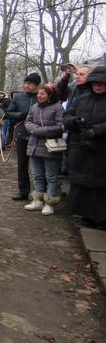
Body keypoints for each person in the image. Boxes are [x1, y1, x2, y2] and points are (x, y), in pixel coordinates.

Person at [63, 66, 106, 227]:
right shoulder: (81, 99)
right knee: (83, 184)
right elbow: (66, 116)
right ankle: (86, 215)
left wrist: (97, 130)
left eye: (101, 82)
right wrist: (76, 121)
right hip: (81, 148)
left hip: (102, 150)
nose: (98, 85)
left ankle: (101, 218)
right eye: (95, 82)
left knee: (100, 187)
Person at [23, 84, 64, 215]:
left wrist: (38, 131)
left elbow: (60, 126)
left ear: (49, 95)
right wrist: (34, 129)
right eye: (38, 94)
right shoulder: (34, 107)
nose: (39, 96)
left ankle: (49, 202)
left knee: (51, 176)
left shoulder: (58, 107)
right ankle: (38, 200)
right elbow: (27, 122)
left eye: (42, 94)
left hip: (50, 147)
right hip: (34, 146)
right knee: (37, 175)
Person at [6, 73, 41, 201]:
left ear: (36, 85)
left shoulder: (41, 96)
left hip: (38, 135)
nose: (26, 85)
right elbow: (8, 113)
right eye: (25, 83)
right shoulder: (18, 97)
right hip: (21, 134)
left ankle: (40, 192)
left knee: (39, 165)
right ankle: (23, 191)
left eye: (29, 84)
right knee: (22, 165)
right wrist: (21, 115)